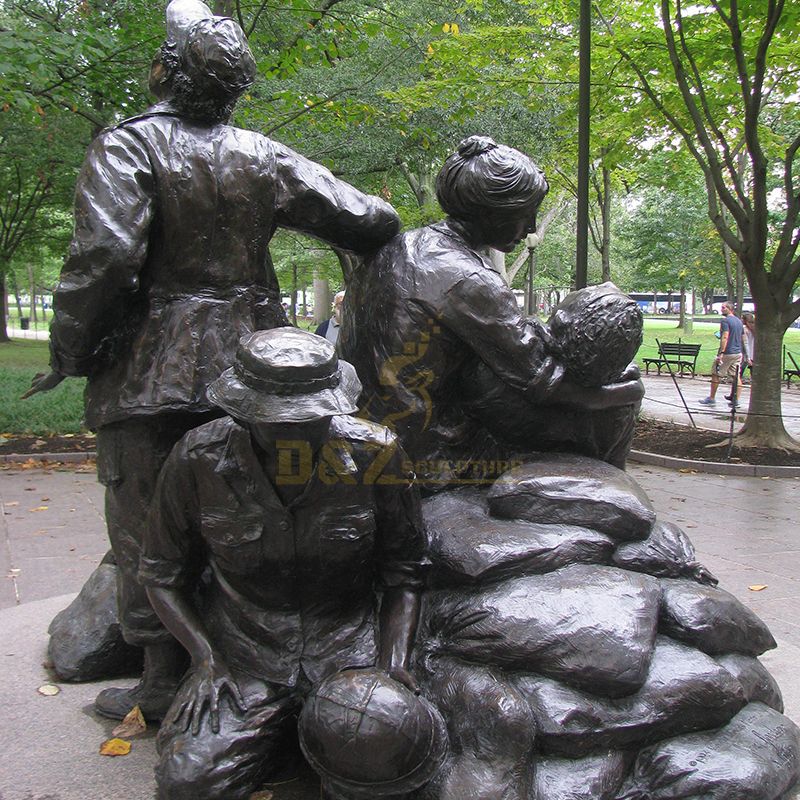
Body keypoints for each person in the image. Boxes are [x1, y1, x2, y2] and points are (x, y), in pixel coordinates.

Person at [24, 0, 400, 721]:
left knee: (145, 522)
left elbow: (104, 257)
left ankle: (165, 680)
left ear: (164, 70)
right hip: (259, 374)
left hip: (151, 368)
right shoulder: (264, 155)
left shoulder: (127, 148)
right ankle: (261, 670)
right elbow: (372, 220)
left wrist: (72, 350)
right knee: (247, 511)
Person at [137, 328, 427, 800]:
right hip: (245, 654)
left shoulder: (377, 453)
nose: (295, 432)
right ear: (246, 411)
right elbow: (161, 575)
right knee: (189, 783)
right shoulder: (197, 458)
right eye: (278, 421)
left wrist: (391, 664)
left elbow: (405, 571)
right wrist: (206, 658)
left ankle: (308, 741)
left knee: (385, 769)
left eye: (308, 420)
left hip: (347, 648)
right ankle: (280, 736)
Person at [339, 136, 643, 487]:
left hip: (365, 433)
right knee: (617, 397)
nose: (530, 228)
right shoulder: (470, 278)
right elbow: (543, 381)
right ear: (490, 213)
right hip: (427, 456)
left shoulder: (400, 247)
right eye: (523, 215)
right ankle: (608, 494)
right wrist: (624, 394)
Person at [700, 301, 744, 408]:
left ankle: (711, 398)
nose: (722, 309)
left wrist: (721, 353)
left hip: (727, 353)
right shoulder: (739, 321)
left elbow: (725, 336)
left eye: (724, 307)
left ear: (730, 309)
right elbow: (742, 337)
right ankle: (736, 400)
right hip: (737, 353)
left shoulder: (725, 321)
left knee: (716, 373)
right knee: (736, 376)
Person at [741, 311, 755, 382]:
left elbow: (745, 343)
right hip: (753, 353)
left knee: (740, 370)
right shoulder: (754, 329)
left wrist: (748, 357)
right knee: (753, 371)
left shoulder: (745, 329)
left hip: (746, 353)